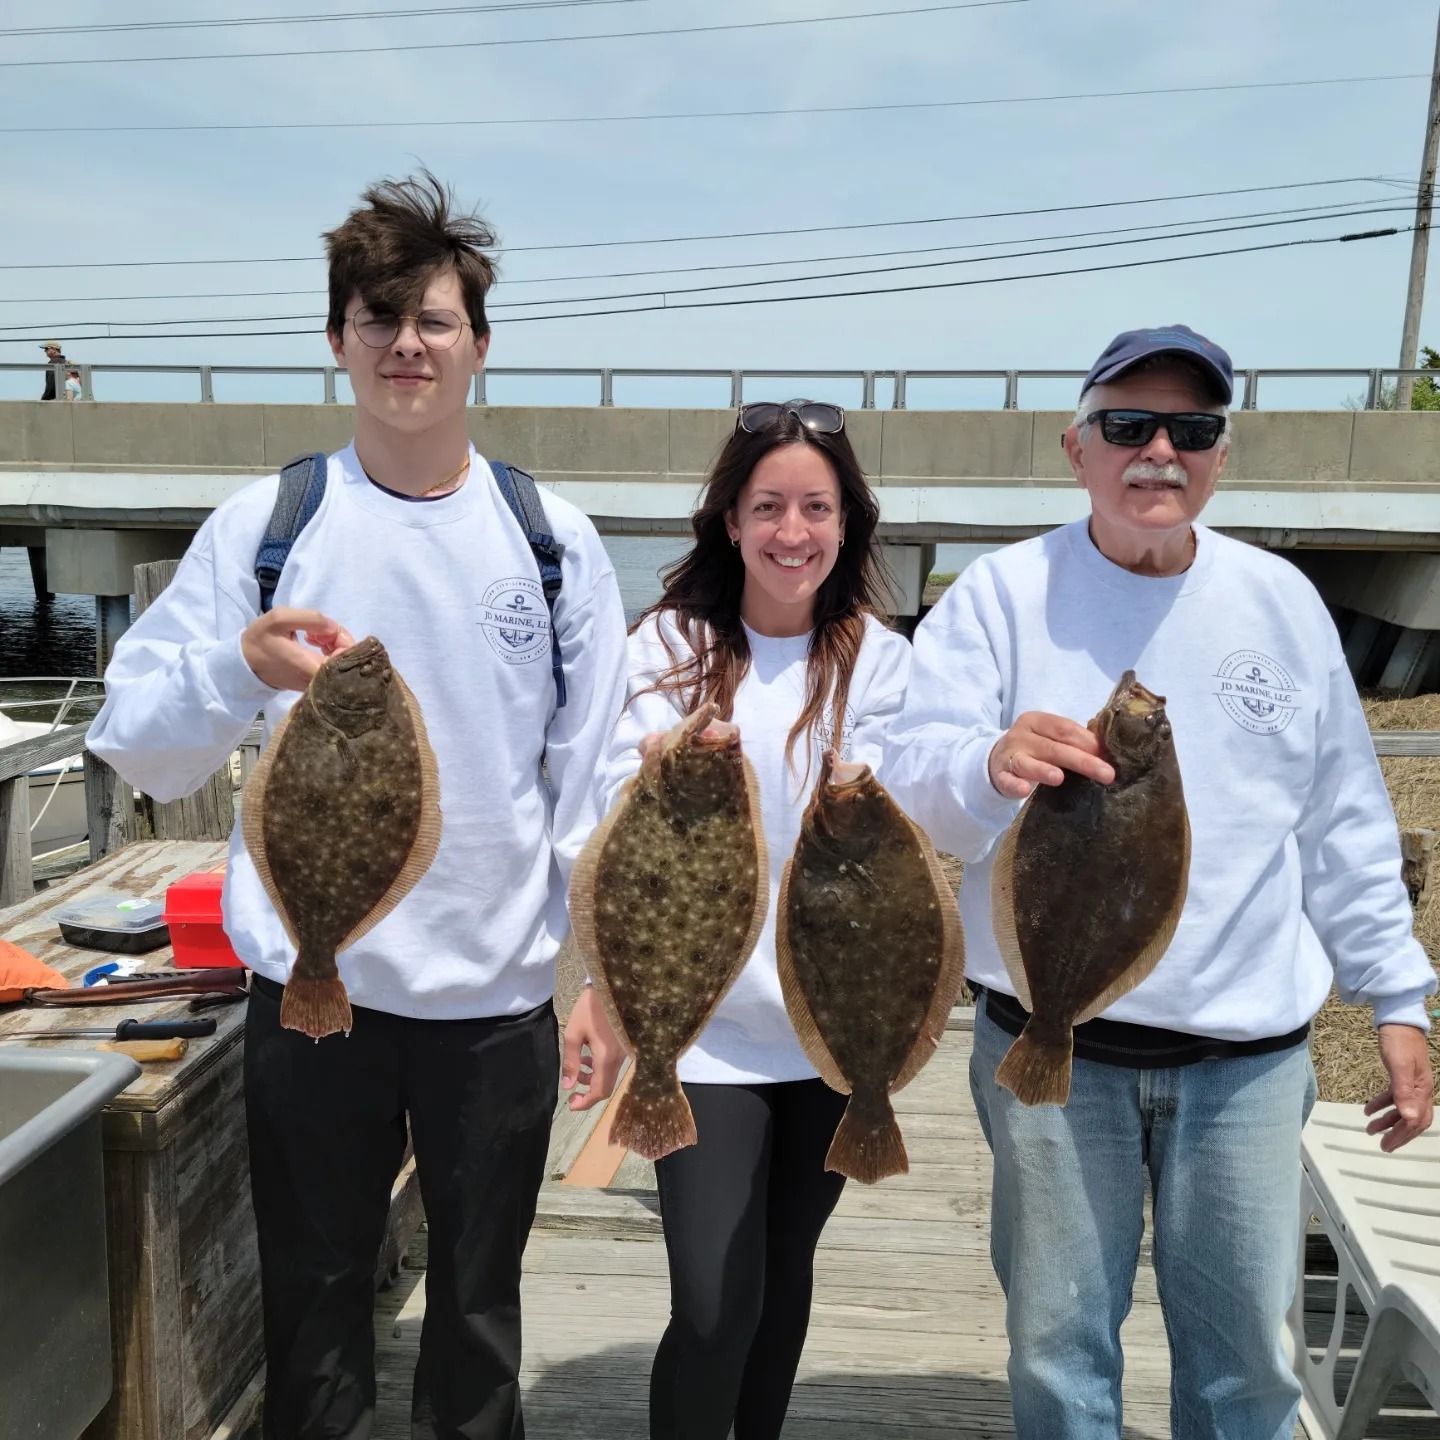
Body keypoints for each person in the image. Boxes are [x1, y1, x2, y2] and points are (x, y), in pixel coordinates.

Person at [87, 171, 628, 1440]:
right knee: (313, 1301)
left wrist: (602, 979)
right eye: (378, 317)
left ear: (479, 345)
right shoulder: (268, 527)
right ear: (337, 339)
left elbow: (592, 780)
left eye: (434, 319)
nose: (406, 344)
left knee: (478, 1312)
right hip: (310, 992)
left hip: (494, 1003)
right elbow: (137, 745)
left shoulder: (553, 540)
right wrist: (239, 668)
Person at [883, 325, 1437, 1440]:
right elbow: (914, 786)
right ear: (1076, 448)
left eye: (1192, 429)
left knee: (1249, 1371)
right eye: (1128, 424)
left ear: (1222, 454)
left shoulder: (1281, 602)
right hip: (1051, 1049)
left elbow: (1342, 817)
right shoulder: (1000, 595)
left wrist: (1398, 997)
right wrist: (988, 764)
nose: (1159, 451)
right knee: (1057, 1354)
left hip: (1247, 1063)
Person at [603, 398, 911, 1440]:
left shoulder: (880, 659)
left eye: (817, 507)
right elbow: (606, 810)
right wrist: (655, 764)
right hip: (700, 1029)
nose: (793, 530)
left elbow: (925, 804)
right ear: (729, 520)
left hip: (834, 1028)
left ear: (847, 523)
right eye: (768, 505)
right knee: (712, 1302)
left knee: (780, 1284)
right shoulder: (669, 644)